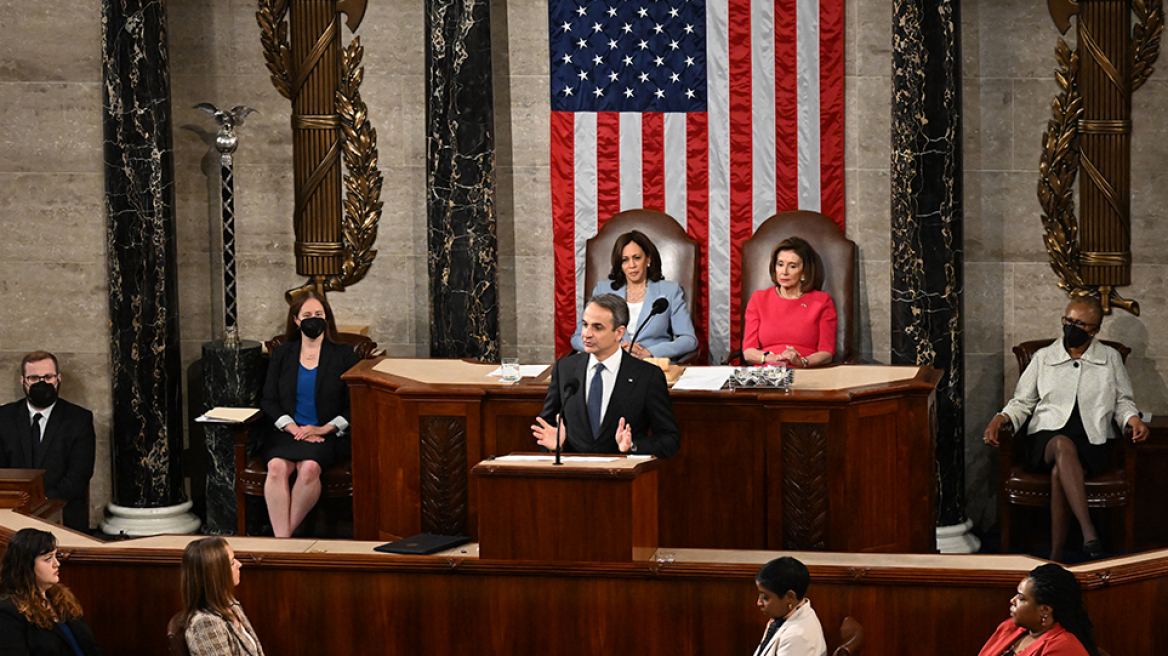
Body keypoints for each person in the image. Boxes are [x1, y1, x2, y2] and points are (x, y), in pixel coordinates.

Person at [984, 297, 1148, 562]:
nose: (1071, 327)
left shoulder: (1110, 358)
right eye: (1068, 320)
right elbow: (1022, 402)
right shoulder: (1043, 357)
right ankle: (1088, 530)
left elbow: (1122, 401)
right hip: (1046, 439)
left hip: (1091, 441)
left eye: (1079, 323)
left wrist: (1133, 419)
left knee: (1060, 471)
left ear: (1094, 330)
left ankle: (1056, 555)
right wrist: (1000, 418)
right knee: (1062, 444)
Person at [261, 291, 360, 537]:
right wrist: (293, 428)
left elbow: (356, 403)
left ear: (327, 318)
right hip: (288, 432)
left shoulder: (344, 354)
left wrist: (323, 429)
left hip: (326, 435)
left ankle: (280, 543)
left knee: (308, 469)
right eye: (307, 315)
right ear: (296, 320)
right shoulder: (283, 354)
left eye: (319, 314)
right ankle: (285, 543)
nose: (313, 319)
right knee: (276, 468)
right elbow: (268, 400)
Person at [533, 293, 680, 458]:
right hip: (574, 469)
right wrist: (555, 447)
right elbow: (546, 426)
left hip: (622, 470)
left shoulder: (647, 376)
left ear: (619, 333)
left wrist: (633, 446)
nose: (586, 334)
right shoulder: (565, 369)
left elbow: (670, 439)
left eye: (597, 327)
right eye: (585, 325)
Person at [0, 352, 96, 532]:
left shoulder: (79, 419)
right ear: (23, 380)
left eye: (48, 377)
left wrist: (42, 505)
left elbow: (79, 475)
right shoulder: (4, 418)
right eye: (34, 378)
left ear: (58, 378)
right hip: (12, 515)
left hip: (64, 516)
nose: (42, 383)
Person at [570, 231, 699, 362]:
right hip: (611, 363)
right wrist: (614, 349)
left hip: (651, 364)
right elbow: (578, 338)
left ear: (648, 259)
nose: (632, 265)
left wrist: (649, 352)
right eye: (625, 260)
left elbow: (688, 339)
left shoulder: (670, 291)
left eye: (637, 257)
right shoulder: (603, 290)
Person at [0, 528, 101, 655]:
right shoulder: (8, 611)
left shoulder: (62, 597)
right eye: (48, 559)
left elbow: (90, 647)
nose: (57, 564)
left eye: (56, 556)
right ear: (26, 566)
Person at [742, 237, 838, 368]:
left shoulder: (822, 301)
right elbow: (748, 352)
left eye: (792, 266)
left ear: (804, 272)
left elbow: (826, 353)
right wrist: (774, 358)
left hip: (807, 371)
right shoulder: (759, 299)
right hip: (768, 372)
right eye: (780, 264)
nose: (784, 272)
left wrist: (801, 362)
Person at [977, 563, 1098, 656]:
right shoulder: (1009, 627)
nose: (1012, 600)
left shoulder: (1064, 648)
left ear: (1045, 610)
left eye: (1021, 598)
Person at [181, 537, 264, 656]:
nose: (239, 564)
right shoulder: (205, 623)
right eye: (232, 563)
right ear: (215, 574)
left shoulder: (229, 603)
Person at [751, 556, 827, 656]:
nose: (759, 603)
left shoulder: (797, 637)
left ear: (790, 597)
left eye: (765, 597)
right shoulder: (788, 616)